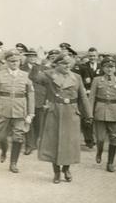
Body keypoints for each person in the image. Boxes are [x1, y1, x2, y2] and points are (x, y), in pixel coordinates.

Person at [29, 53, 92, 184]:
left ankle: (67, 169)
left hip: (71, 112)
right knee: (54, 143)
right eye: (63, 64)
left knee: (69, 144)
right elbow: (34, 77)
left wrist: (88, 114)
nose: (67, 66)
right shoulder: (49, 75)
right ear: (57, 65)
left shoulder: (76, 77)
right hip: (55, 112)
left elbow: (83, 97)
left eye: (69, 64)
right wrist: (37, 63)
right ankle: (56, 172)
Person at [0, 50, 35, 173]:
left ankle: (13, 163)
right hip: (3, 110)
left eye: (16, 61)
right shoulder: (0, 75)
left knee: (18, 137)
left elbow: (31, 94)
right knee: (0, 136)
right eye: (11, 61)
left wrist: (31, 113)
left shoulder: (25, 75)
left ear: (20, 62)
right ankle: (4, 151)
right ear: (7, 62)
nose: (14, 63)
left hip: (20, 110)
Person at [89, 57, 116, 172]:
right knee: (100, 138)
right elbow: (91, 98)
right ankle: (99, 151)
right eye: (107, 67)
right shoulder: (97, 80)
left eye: (112, 67)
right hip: (100, 111)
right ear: (103, 68)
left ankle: (110, 163)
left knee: (114, 138)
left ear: (115, 68)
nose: (109, 69)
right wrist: (90, 114)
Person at [81, 47, 102, 148]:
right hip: (87, 95)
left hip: (99, 95)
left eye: (94, 56)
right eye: (90, 56)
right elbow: (80, 80)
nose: (92, 58)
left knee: (98, 117)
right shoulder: (83, 67)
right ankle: (89, 140)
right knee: (87, 117)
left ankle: (98, 138)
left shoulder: (102, 67)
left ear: (97, 56)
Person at [20, 49, 39, 155]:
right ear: (27, 57)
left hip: (39, 98)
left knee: (38, 123)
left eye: (34, 56)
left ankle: (35, 143)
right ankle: (29, 145)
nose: (32, 58)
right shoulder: (22, 68)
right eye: (30, 56)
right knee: (28, 121)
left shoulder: (40, 68)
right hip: (26, 98)